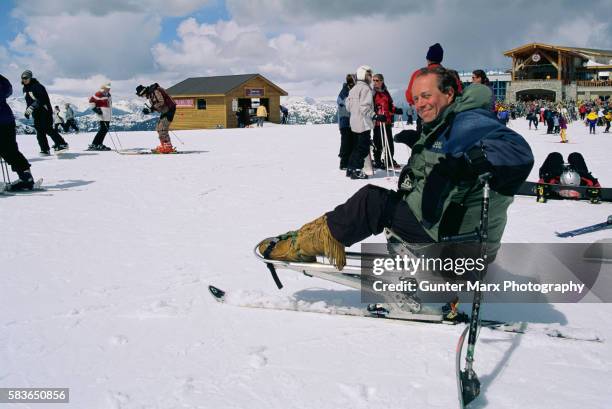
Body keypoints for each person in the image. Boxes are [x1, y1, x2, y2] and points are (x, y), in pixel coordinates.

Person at [257, 66, 533, 273]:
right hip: (445, 229)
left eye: (426, 95)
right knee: (381, 200)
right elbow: (442, 158)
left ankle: (302, 245)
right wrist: (423, 147)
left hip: (455, 245)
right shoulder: (448, 120)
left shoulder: (469, 120)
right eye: (415, 99)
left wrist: (478, 158)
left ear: (449, 93)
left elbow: (516, 153)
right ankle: (306, 237)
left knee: (371, 201)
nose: (420, 103)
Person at [345, 65, 385, 180]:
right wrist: (376, 116)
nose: (370, 77)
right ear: (363, 75)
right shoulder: (366, 89)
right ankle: (357, 170)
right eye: (369, 74)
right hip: (363, 123)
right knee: (362, 148)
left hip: (354, 123)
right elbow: (364, 108)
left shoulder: (353, 89)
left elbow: (348, 107)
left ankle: (350, 168)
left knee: (356, 147)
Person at [0, 74, 35, 190]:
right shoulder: (2, 81)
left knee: (8, 150)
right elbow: (8, 90)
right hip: (7, 120)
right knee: (10, 150)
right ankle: (26, 176)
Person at [21, 70, 68, 155]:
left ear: (30, 78)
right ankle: (45, 149)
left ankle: (62, 144)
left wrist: (32, 107)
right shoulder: (25, 88)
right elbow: (28, 101)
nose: (24, 79)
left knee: (47, 128)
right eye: (23, 78)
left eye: (26, 78)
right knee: (39, 131)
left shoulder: (37, 86)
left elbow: (42, 99)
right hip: (36, 112)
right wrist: (27, 111)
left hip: (44, 110)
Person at [136, 83, 177, 153]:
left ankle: (168, 147)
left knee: (162, 128)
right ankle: (164, 145)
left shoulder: (154, 91)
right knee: (158, 128)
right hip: (165, 110)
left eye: (141, 95)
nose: (142, 97)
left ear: (143, 92)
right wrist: (150, 110)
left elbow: (161, 102)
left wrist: (151, 109)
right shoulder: (151, 94)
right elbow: (157, 105)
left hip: (169, 109)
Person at [372, 73, 400, 169]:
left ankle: (389, 159)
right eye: (373, 80)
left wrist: (396, 110)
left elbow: (390, 105)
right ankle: (377, 160)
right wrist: (376, 115)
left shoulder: (386, 92)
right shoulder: (372, 93)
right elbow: (369, 107)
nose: (375, 82)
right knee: (378, 142)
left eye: (377, 80)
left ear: (382, 81)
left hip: (386, 121)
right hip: (377, 122)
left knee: (389, 142)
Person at [337, 74, 356, 170]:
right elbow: (343, 102)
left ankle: (348, 161)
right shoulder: (344, 91)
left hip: (351, 121)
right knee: (346, 142)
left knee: (351, 141)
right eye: (350, 82)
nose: (351, 83)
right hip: (345, 121)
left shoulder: (351, 90)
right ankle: (344, 162)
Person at [87, 83, 112, 151]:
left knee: (105, 129)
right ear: (103, 87)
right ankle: (95, 144)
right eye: (107, 87)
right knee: (103, 129)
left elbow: (109, 105)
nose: (108, 88)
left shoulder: (108, 95)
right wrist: (96, 109)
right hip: (102, 114)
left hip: (107, 115)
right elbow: (91, 101)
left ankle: (98, 144)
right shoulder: (99, 94)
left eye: (109, 87)